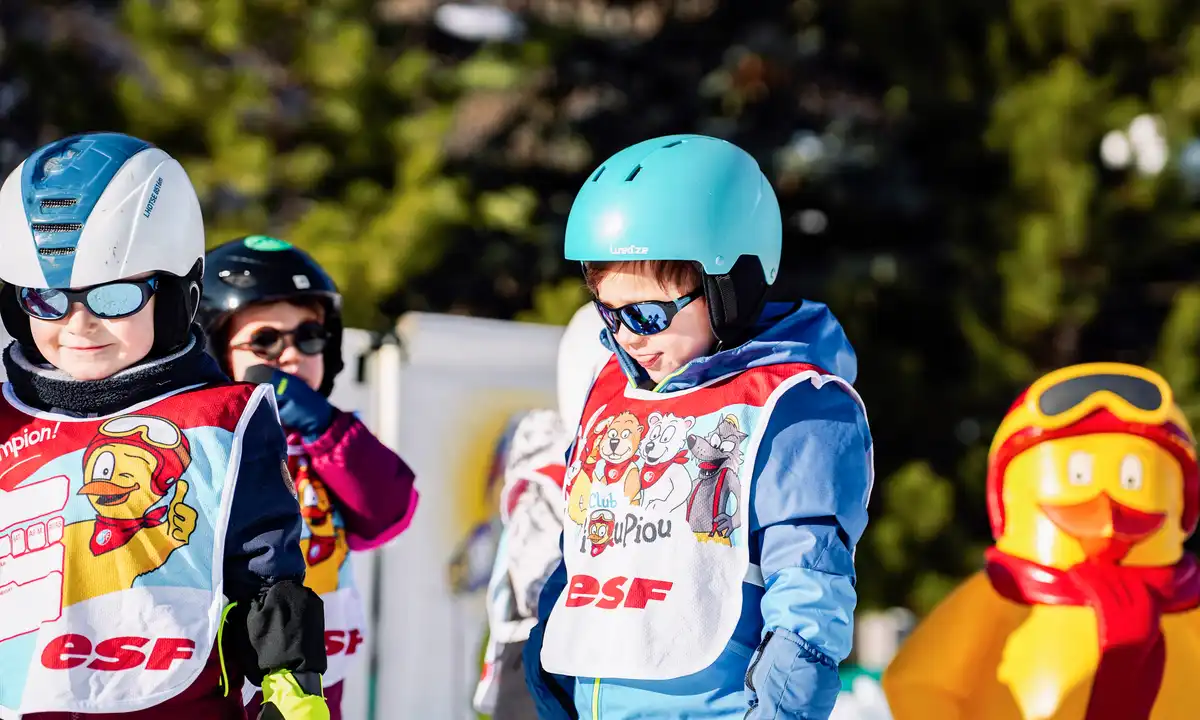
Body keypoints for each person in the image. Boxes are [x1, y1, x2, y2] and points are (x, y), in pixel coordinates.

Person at [524, 134, 874, 720]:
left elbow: (809, 588)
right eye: (609, 312)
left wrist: (782, 706)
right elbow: (588, 542)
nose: (627, 335)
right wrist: (549, 656)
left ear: (728, 287)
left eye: (647, 314)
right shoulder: (614, 385)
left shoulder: (791, 407)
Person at [0, 132, 327, 718]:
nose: (79, 324)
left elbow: (265, 572)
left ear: (179, 294)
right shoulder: (7, 422)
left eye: (114, 296)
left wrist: (290, 682)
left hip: (175, 701)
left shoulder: (221, 420)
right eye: (47, 300)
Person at [199, 236, 419, 720]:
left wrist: (324, 427)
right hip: (237, 675)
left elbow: (388, 512)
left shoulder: (333, 439)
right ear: (214, 348)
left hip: (319, 675)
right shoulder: (205, 442)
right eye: (265, 342)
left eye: (309, 337)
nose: (292, 355)